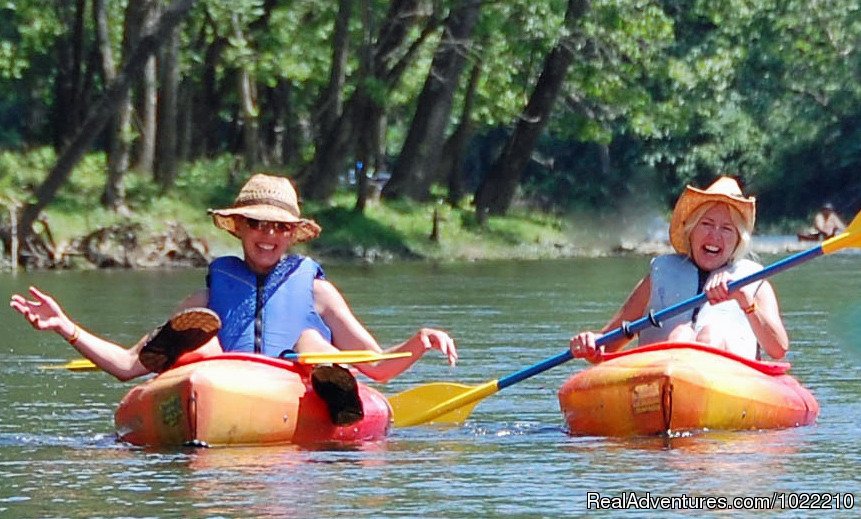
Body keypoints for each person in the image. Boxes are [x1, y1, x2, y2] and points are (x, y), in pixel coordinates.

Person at [10, 173, 457, 425]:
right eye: (259, 225)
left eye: (280, 228)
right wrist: (66, 327)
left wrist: (418, 342)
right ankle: (191, 358)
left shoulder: (317, 291)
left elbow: (376, 366)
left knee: (310, 342)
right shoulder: (206, 296)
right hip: (225, 382)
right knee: (201, 336)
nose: (269, 236)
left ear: (293, 235)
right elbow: (128, 366)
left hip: (294, 386)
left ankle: (330, 385)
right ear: (239, 227)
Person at [569, 176, 788, 362]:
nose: (715, 235)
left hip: (729, 382)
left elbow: (778, 350)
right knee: (681, 334)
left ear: (738, 240)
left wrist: (745, 301)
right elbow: (606, 346)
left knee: (710, 337)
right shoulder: (660, 275)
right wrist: (590, 344)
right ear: (691, 230)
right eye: (706, 224)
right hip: (665, 374)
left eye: (726, 229)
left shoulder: (754, 284)